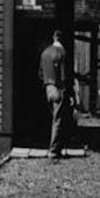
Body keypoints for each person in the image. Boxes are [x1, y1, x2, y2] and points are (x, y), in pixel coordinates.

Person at [38, 29, 69, 158]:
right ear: (62, 39)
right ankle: (54, 150)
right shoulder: (62, 52)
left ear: (53, 37)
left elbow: (40, 73)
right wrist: (67, 91)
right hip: (58, 88)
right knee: (58, 120)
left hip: (47, 88)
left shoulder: (45, 52)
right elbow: (63, 75)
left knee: (52, 118)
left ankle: (53, 147)